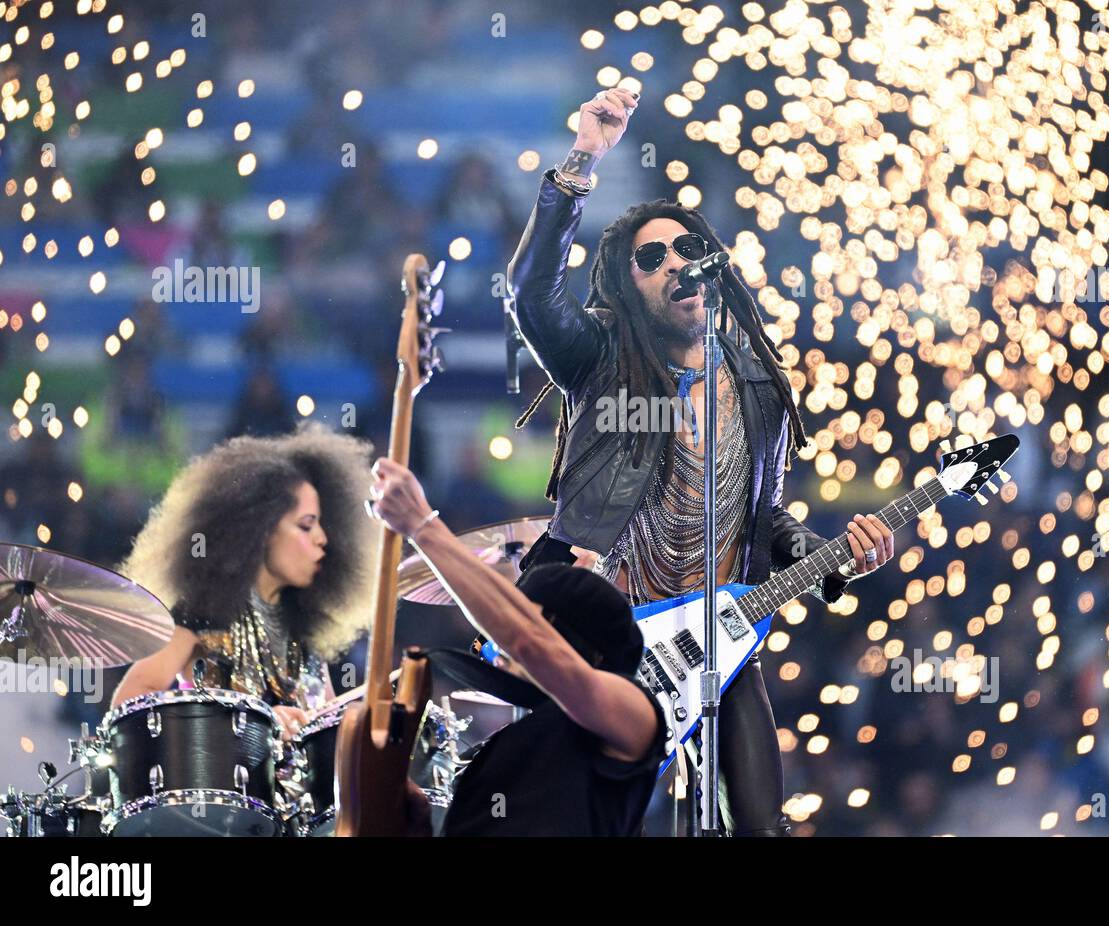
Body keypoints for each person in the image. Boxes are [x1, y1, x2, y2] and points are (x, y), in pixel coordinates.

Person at [506, 88, 895, 835]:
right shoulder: (599, 356)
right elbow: (530, 296)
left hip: (715, 638)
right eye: (651, 258)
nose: (675, 264)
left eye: (688, 249)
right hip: (607, 632)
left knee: (760, 826)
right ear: (628, 283)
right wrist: (583, 158)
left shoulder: (758, 386)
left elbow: (765, 516)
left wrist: (826, 553)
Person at [367, 457, 668, 836]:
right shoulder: (507, 747)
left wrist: (421, 526)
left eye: (534, 618)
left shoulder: (635, 716)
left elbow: (529, 642)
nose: (511, 638)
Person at [111, 424, 378, 739]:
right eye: (306, 526)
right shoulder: (203, 611)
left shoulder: (304, 624)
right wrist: (254, 725)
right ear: (260, 530)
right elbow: (130, 701)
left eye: (321, 524)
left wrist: (352, 724)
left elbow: (325, 725)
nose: (323, 538)